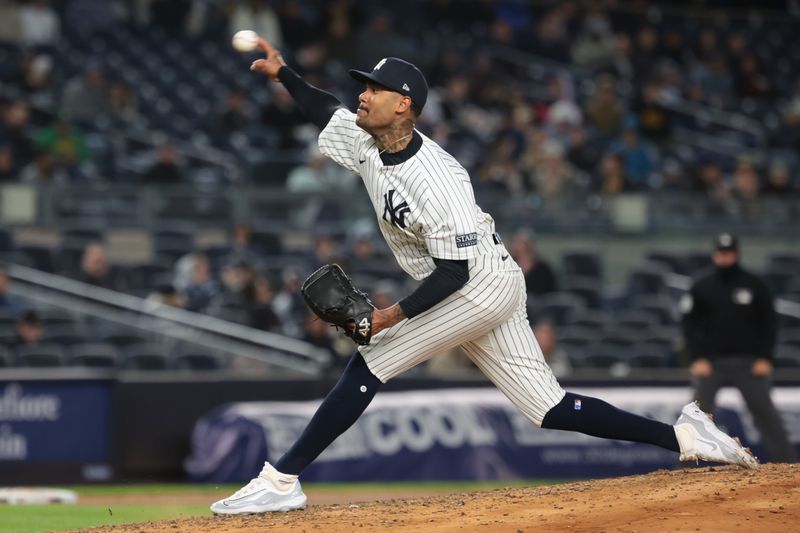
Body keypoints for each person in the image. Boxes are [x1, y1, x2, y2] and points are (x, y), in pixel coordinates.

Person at [210, 39, 759, 515]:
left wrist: (390, 316)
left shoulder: (439, 180)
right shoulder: (366, 139)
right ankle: (687, 436)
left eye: (374, 88)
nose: (362, 94)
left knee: (370, 360)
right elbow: (322, 107)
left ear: (404, 106)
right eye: (364, 86)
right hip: (480, 279)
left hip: (476, 284)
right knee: (548, 408)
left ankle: (280, 481)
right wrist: (283, 73)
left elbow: (454, 272)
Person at [681, 233, 797, 463]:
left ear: (736, 254)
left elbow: (769, 323)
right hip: (711, 363)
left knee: (767, 415)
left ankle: (789, 465)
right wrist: (696, 358)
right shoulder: (702, 286)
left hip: (749, 363)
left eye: (729, 253)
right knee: (696, 416)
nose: (725, 257)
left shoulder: (754, 284)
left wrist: (765, 357)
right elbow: (689, 325)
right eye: (721, 253)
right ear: (715, 254)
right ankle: (688, 467)